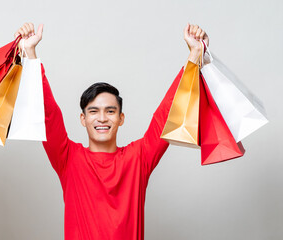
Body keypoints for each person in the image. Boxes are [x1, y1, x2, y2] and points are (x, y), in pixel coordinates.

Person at [14, 23, 209, 240]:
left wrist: (194, 55)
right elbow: (47, 114)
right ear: (83, 119)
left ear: (121, 118)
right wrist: (30, 54)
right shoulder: (69, 159)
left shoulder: (139, 158)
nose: (102, 118)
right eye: (94, 111)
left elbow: (168, 114)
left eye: (110, 111)